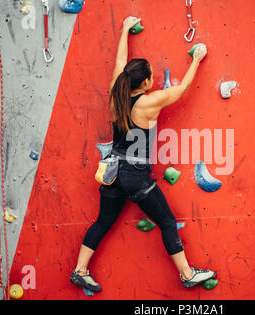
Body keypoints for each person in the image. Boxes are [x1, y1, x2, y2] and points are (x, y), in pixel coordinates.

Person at [70, 16, 216, 292]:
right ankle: (187, 274)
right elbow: (182, 89)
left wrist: (124, 30)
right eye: (151, 76)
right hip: (135, 174)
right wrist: (197, 58)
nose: (154, 79)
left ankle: (80, 270)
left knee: (103, 221)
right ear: (147, 82)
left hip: (112, 170)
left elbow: (119, 64)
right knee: (167, 221)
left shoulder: (117, 93)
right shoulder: (151, 101)